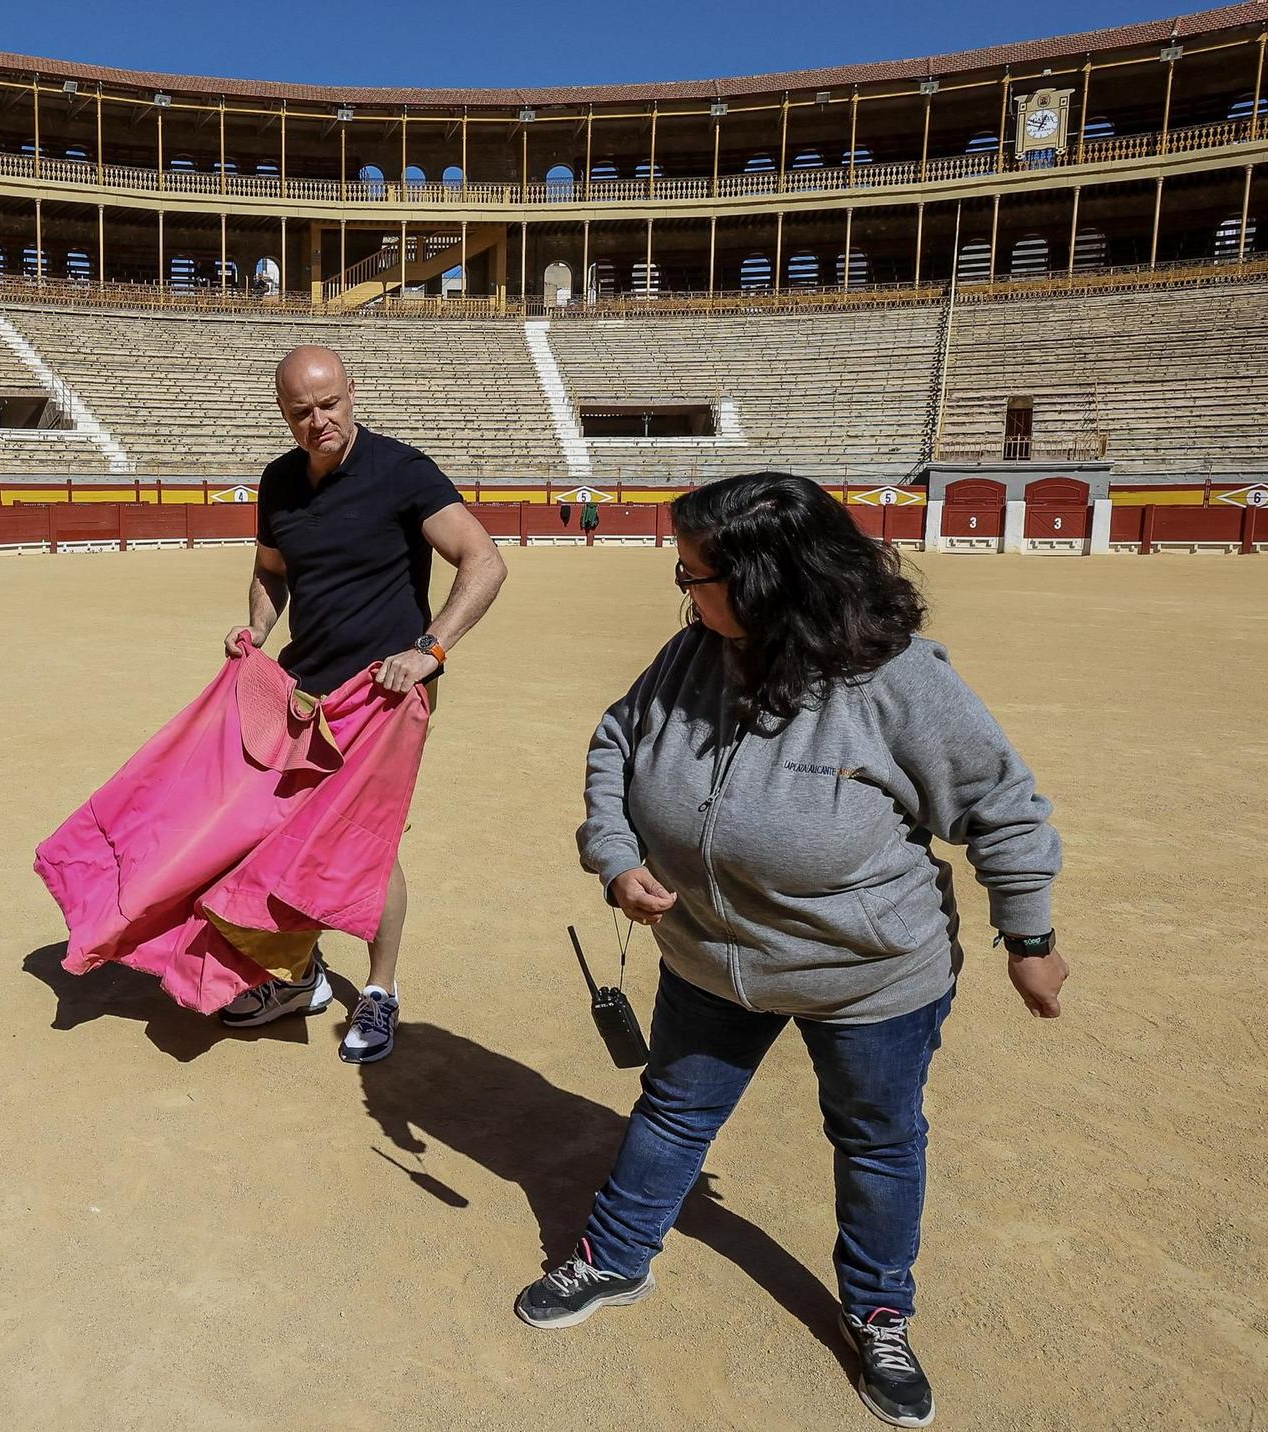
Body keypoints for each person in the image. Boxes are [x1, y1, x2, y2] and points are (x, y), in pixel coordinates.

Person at [515, 472, 1068, 1429]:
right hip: (709, 955)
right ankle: (614, 1256)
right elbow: (617, 739)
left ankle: (879, 1312)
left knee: (877, 1138)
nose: (683, 592)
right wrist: (614, 856)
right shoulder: (693, 651)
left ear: (769, 581)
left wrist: (1030, 936)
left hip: (869, 976)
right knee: (675, 1112)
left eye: (696, 575)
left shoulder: (898, 680)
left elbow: (1002, 806)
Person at [217, 344, 507, 1064]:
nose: (319, 421)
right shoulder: (279, 482)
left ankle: (378, 991)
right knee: (278, 835)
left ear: (353, 391)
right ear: (283, 416)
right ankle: (300, 976)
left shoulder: (401, 471)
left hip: (385, 695)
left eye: (330, 404)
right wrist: (257, 628)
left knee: (364, 841)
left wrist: (429, 650)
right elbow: (270, 570)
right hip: (303, 693)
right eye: (301, 412)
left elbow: (485, 560)